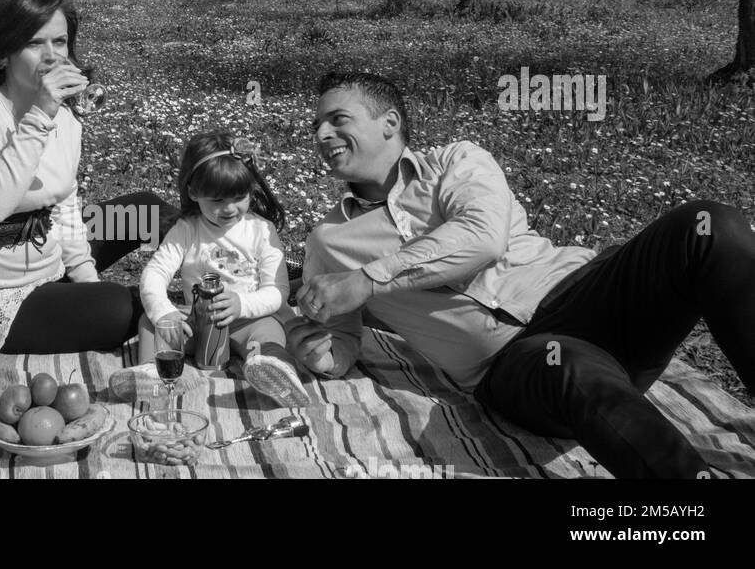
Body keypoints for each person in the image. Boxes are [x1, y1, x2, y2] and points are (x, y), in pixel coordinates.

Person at [288, 71, 755, 478]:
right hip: (519, 364)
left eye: (337, 120)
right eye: (316, 127)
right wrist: (320, 352)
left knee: (710, 225)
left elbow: (482, 237)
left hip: (591, 293)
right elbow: (341, 336)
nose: (321, 134)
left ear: (389, 121)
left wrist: (369, 279)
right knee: (564, 361)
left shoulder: (459, 160)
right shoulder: (328, 241)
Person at [0, 0, 175, 357]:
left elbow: (64, 207)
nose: (51, 56)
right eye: (34, 43)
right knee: (120, 307)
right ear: (4, 55)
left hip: (47, 253)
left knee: (148, 211)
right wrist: (40, 113)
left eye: (59, 42)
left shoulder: (65, 116)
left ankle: (234, 264)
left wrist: (85, 279)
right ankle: (180, 306)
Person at [138, 132, 310, 407]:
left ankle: (274, 370)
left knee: (268, 333)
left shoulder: (261, 230)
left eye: (239, 197)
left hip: (248, 320)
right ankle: (150, 373)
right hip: (198, 320)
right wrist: (164, 312)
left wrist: (241, 305)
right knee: (150, 322)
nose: (230, 209)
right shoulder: (187, 229)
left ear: (251, 189)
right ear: (194, 192)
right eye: (217, 200)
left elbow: (278, 290)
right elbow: (155, 273)